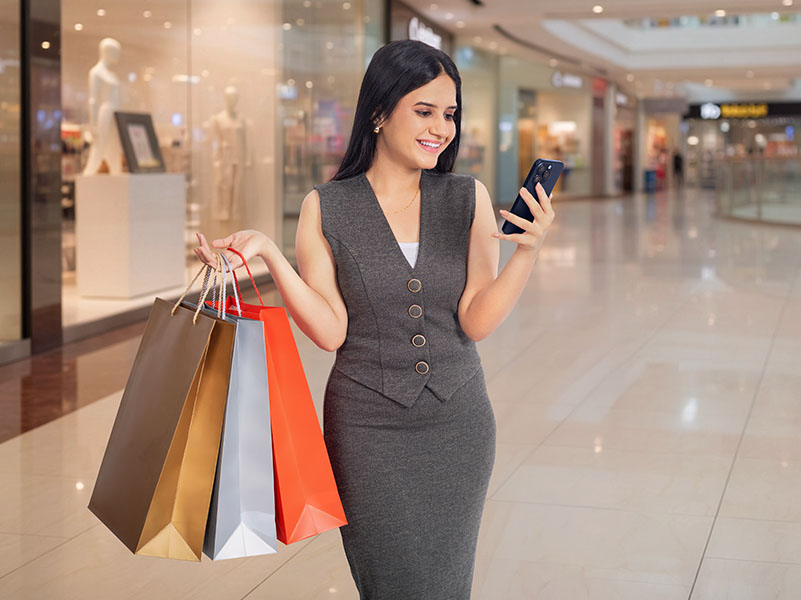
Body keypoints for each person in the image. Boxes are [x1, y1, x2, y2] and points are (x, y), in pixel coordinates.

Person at [194, 39, 555, 599]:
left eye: (450, 114)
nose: (441, 127)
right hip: (366, 432)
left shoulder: (468, 198)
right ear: (380, 113)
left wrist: (526, 254)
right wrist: (268, 254)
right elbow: (331, 330)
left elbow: (476, 319)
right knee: (390, 585)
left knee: (445, 584)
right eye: (424, 110)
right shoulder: (327, 206)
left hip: (458, 424)